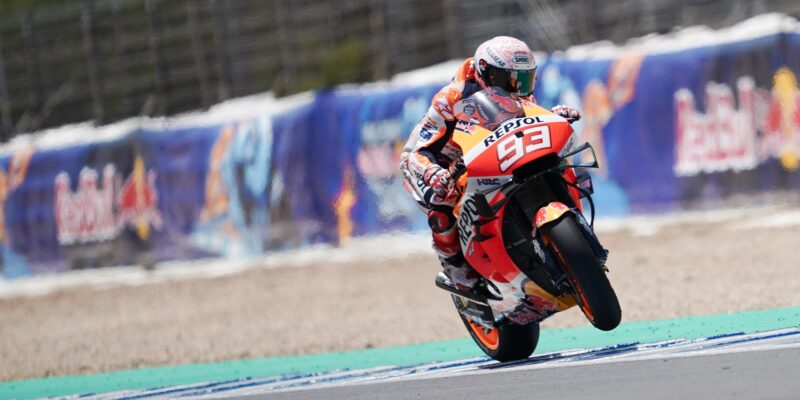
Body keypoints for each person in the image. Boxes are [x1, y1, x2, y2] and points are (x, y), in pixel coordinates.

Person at [399, 36, 581, 292]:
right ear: (486, 71)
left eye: (525, 79)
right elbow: (413, 152)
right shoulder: (451, 98)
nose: (518, 88)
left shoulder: (515, 88)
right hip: (444, 163)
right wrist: (431, 172)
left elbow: (529, 118)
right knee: (442, 203)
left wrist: (553, 117)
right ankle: (457, 270)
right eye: (510, 80)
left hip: (492, 153)